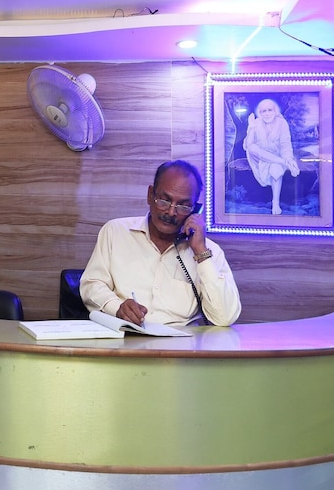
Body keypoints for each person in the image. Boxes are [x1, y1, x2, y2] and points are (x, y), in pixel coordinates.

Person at [79, 160, 242, 327]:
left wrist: (201, 252)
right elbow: (92, 285)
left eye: (183, 206)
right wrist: (117, 307)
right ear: (150, 195)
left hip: (182, 341)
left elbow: (225, 318)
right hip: (125, 336)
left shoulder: (210, 251)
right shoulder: (115, 232)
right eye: (164, 201)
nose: (171, 212)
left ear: (195, 209)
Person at [243, 98, 299, 215]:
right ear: (260, 113)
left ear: (275, 111)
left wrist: (288, 158)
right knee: (252, 148)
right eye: (264, 111)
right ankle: (284, 163)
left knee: (275, 168)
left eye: (270, 110)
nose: (267, 113)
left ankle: (275, 202)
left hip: (276, 157)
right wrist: (251, 127)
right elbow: (248, 145)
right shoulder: (256, 123)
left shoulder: (282, 123)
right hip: (259, 157)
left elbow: (285, 143)